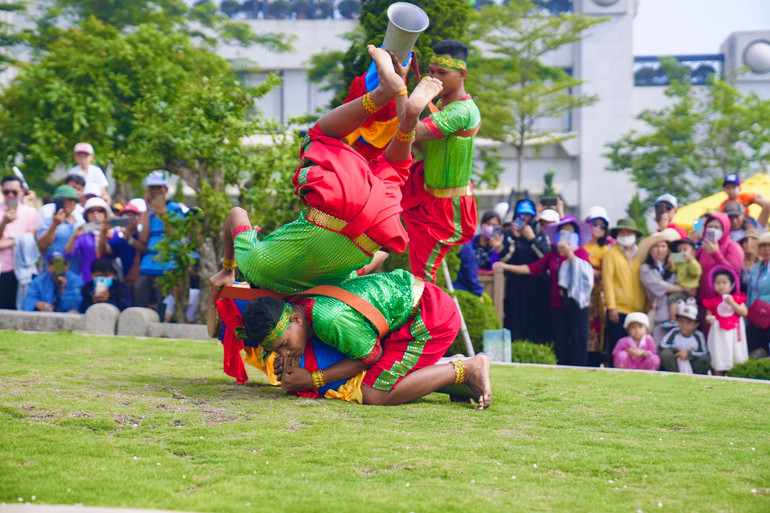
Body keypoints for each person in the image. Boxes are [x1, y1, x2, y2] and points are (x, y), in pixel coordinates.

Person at [210, 46, 442, 295]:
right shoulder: (255, 267)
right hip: (332, 213)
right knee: (318, 136)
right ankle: (383, 93)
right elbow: (236, 213)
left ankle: (408, 118)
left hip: (374, 230)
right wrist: (228, 268)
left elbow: (381, 257)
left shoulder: (324, 289)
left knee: (394, 168)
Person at [241, 269, 492, 409]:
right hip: (411, 311)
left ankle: (467, 369)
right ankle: (452, 370)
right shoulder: (299, 307)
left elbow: (370, 357)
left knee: (374, 393)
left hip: (429, 319)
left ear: (294, 320)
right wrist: (290, 358)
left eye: (283, 345)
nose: (284, 353)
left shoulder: (332, 320)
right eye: (278, 351)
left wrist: (313, 378)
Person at [401, 40, 481, 283]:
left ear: (462, 74)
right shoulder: (443, 106)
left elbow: (409, 132)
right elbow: (413, 140)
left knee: (421, 278)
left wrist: (399, 89)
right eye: (431, 71)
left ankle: (424, 320)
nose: (434, 78)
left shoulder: (461, 112)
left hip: (447, 208)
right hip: (423, 192)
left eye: (442, 73)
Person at [494, 216, 594, 366]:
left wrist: (570, 254)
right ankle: (562, 368)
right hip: (557, 304)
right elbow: (532, 268)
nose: (565, 236)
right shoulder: (552, 255)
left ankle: (580, 369)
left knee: (578, 339)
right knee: (560, 340)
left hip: (577, 303)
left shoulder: (581, 253)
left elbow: (585, 275)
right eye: (562, 233)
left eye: (569, 233)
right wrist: (506, 266)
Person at [499, 203, 555, 344]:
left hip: (538, 284)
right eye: (521, 215)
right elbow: (505, 258)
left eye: (528, 215)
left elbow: (545, 258)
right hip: (515, 283)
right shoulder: (508, 234)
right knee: (515, 318)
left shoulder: (539, 233)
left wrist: (531, 239)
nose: (524, 218)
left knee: (537, 321)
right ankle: (515, 347)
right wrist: (515, 238)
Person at [134, 171, 187, 308]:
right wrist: (146, 209)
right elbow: (143, 238)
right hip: (147, 266)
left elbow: (175, 235)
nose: (155, 191)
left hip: (168, 266)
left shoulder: (175, 209)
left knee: (163, 306)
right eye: (152, 188)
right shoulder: (148, 212)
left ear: (166, 189)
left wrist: (164, 216)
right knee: (140, 301)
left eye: (159, 187)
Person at [602, 218, 647, 362]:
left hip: (638, 309)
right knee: (618, 347)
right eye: (622, 232)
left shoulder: (641, 255)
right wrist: (612, 307)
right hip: (619, 309)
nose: (625, 235)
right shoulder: (611, 254)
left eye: (629, 232)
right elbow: (607, 280)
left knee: (638, 348)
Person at [696, 213, 744, 331]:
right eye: (710, 226)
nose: (712, 229)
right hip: (705, 305)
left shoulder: (733, 248)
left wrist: (715, 253)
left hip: (726, 305)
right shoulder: (702, 250)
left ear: (725, 228)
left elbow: (733, 273)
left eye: (717, 227)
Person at [0, 175, 39, 309]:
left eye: (14, 192)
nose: (10, 195)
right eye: (6, 192)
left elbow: (30, 238)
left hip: (23, 267)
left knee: (20, 307)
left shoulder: (30, 212)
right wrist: (4, 223)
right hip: (3, 268)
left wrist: (8, 241)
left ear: (22, 191)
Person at [638, 228, 684, 342]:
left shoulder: (674, 263)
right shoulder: (646, 268)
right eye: (656, 246)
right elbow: (660, 286)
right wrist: (685, 289)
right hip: (659, 315)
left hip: (679, 314)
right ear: (650, 250)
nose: (660, 250)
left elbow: (689, 258)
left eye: (663, 246)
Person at [702, 266, 748, 376]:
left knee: (734, 354)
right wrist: (709, 319)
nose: (721, 285)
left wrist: (732, 303)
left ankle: (735, 375)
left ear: (731, 284)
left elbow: (744, 312)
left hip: (734, 333)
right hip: (719, 334)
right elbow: (708, 315)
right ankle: (718, 375)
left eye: (724, 282)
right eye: (717, 283)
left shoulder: (737, 299)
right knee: (719, 354)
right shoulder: (713, 301)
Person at [584, 206, 611, 366]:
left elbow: (606, 273)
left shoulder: (606, 249)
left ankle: (595, 360)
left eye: (602, 225)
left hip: (597, 295)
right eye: (595, 223)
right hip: (581, 293)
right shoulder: (581, 244)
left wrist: (588, 270)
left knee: (597, 327)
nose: (598, 228)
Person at [99, 199, 146, 285]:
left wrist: (129, 239)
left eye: (132, 215)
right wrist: (103, 231)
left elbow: (143, 248)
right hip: (128, 282)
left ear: (139, 218)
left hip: (146, 281)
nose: (129, 219)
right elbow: (104, 249)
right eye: (125, 216)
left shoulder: (143, 236)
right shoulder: (121, 240)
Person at [65, 197, 110, 284]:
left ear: (105, 213)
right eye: (91, 211)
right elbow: (69, 253)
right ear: (86, 215)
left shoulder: (113, 232)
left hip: (108, 278)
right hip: (87, 278)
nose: (95, 213)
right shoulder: (82, 233)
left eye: (100, 210)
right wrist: (74, 236)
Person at [658, 298, 710, 374]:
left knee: (705, 359)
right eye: (681, 321)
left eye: (688, 322)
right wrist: (677, 350)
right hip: (676, 361)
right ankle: (673, 375)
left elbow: (703, 352)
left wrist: (688, 354)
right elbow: (662, 344)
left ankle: (697, 377)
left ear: (696, 325)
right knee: (665, 354)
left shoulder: (698, 335)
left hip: (692, 362)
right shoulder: (674, 332)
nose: (684, 325)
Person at [37, 185, 84, 266]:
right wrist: (54, 225)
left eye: (70, 200)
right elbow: (42, 245)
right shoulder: (49, 222)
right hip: (54, 271)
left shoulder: (80, 222)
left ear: (75, 203)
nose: (67, 203)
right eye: (63, 200)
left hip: (75, 272)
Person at [666, 238, 702, 325]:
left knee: (672, 298)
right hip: (682, 288)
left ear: (693, 252)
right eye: (680, 250)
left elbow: (696, 272)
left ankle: (673, 319)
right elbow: (673, 270)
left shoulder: (693, 262)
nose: (682, 252)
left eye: (685, 249)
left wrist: (690, 261)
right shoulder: (680, 262)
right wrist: (671, 265)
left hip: (690, 289)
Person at [745, 232, 770, 356]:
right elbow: (750, 292)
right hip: (755, 318)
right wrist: (747, 318)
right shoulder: (755, 268)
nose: (766, 249)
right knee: (755, 353)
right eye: (763, 245)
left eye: (769, 245)